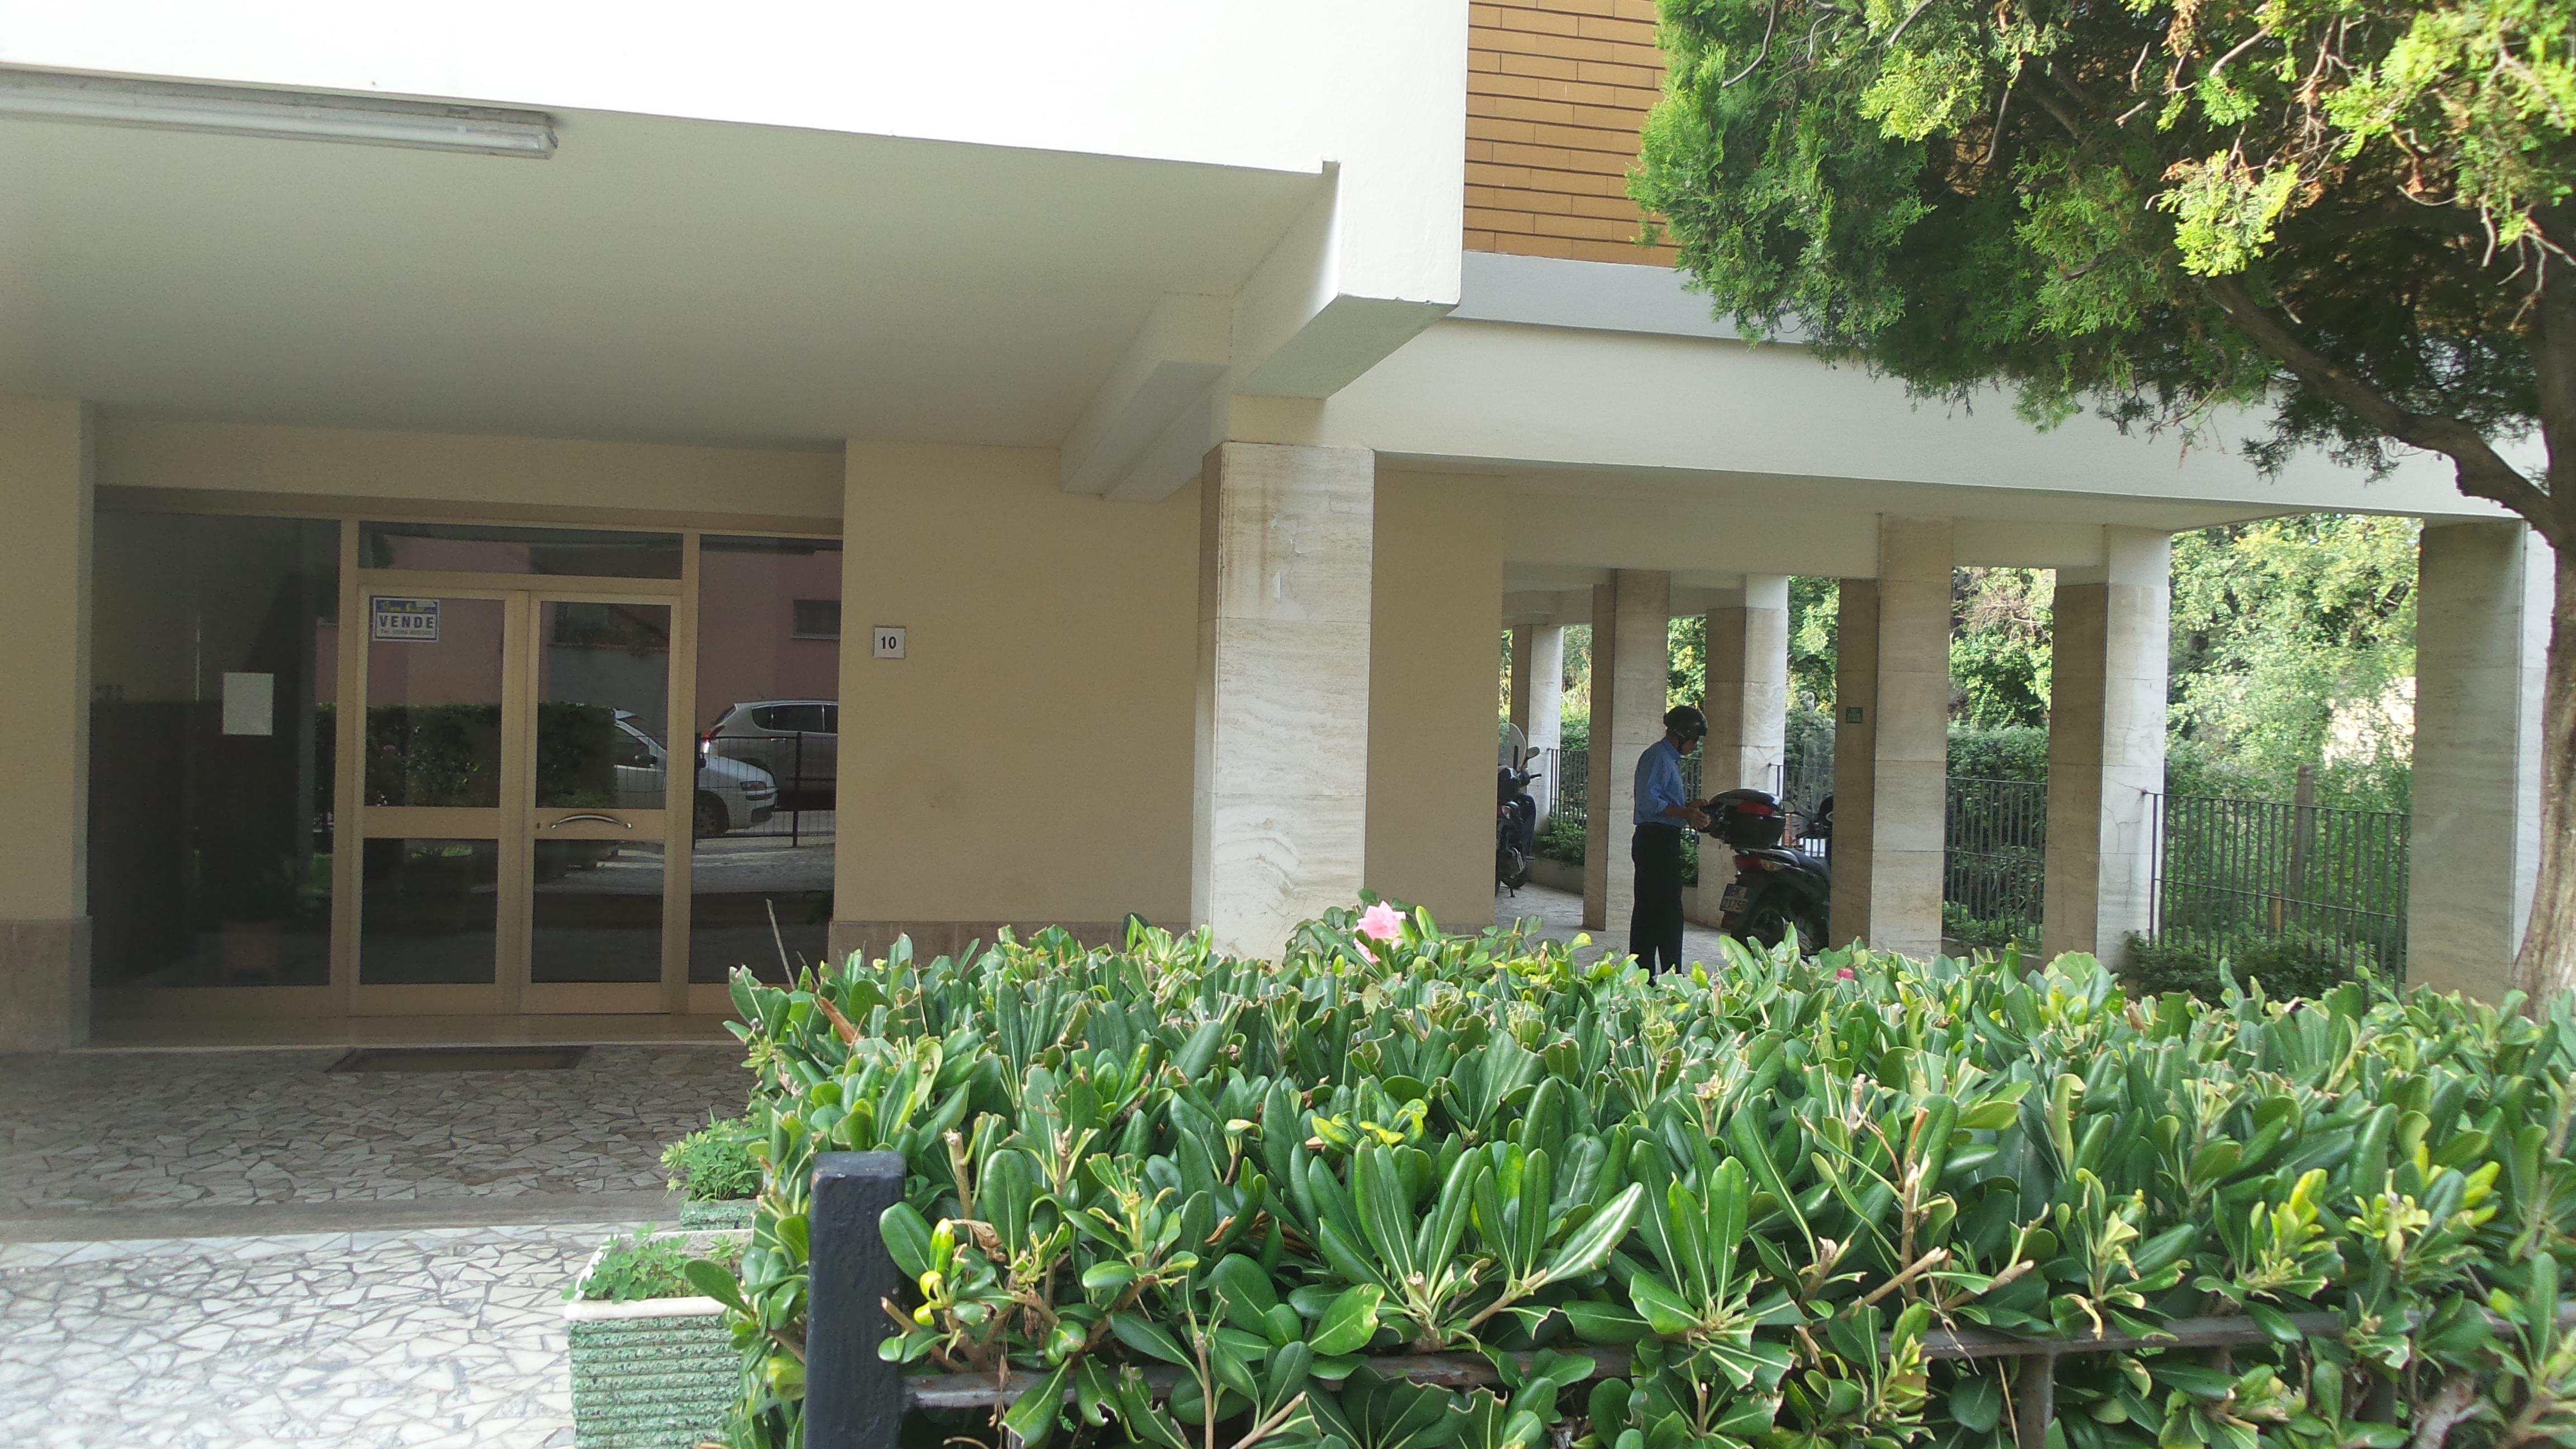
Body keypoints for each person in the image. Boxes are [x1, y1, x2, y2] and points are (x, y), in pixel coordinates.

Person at [1631, 705, 1710, 972]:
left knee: (1651, 911)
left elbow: (1663, 800)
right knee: (1666, 912)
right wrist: (1685, 812)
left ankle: (1645, 972)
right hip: (1656, 840)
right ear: (1682, 735)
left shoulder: (1667, 759)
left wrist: (1688, 807)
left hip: (1661, 838)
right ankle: (1669, 972)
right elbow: (1649, 802)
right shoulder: (1658, 757)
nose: (1696, 746)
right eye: (1694, 740)